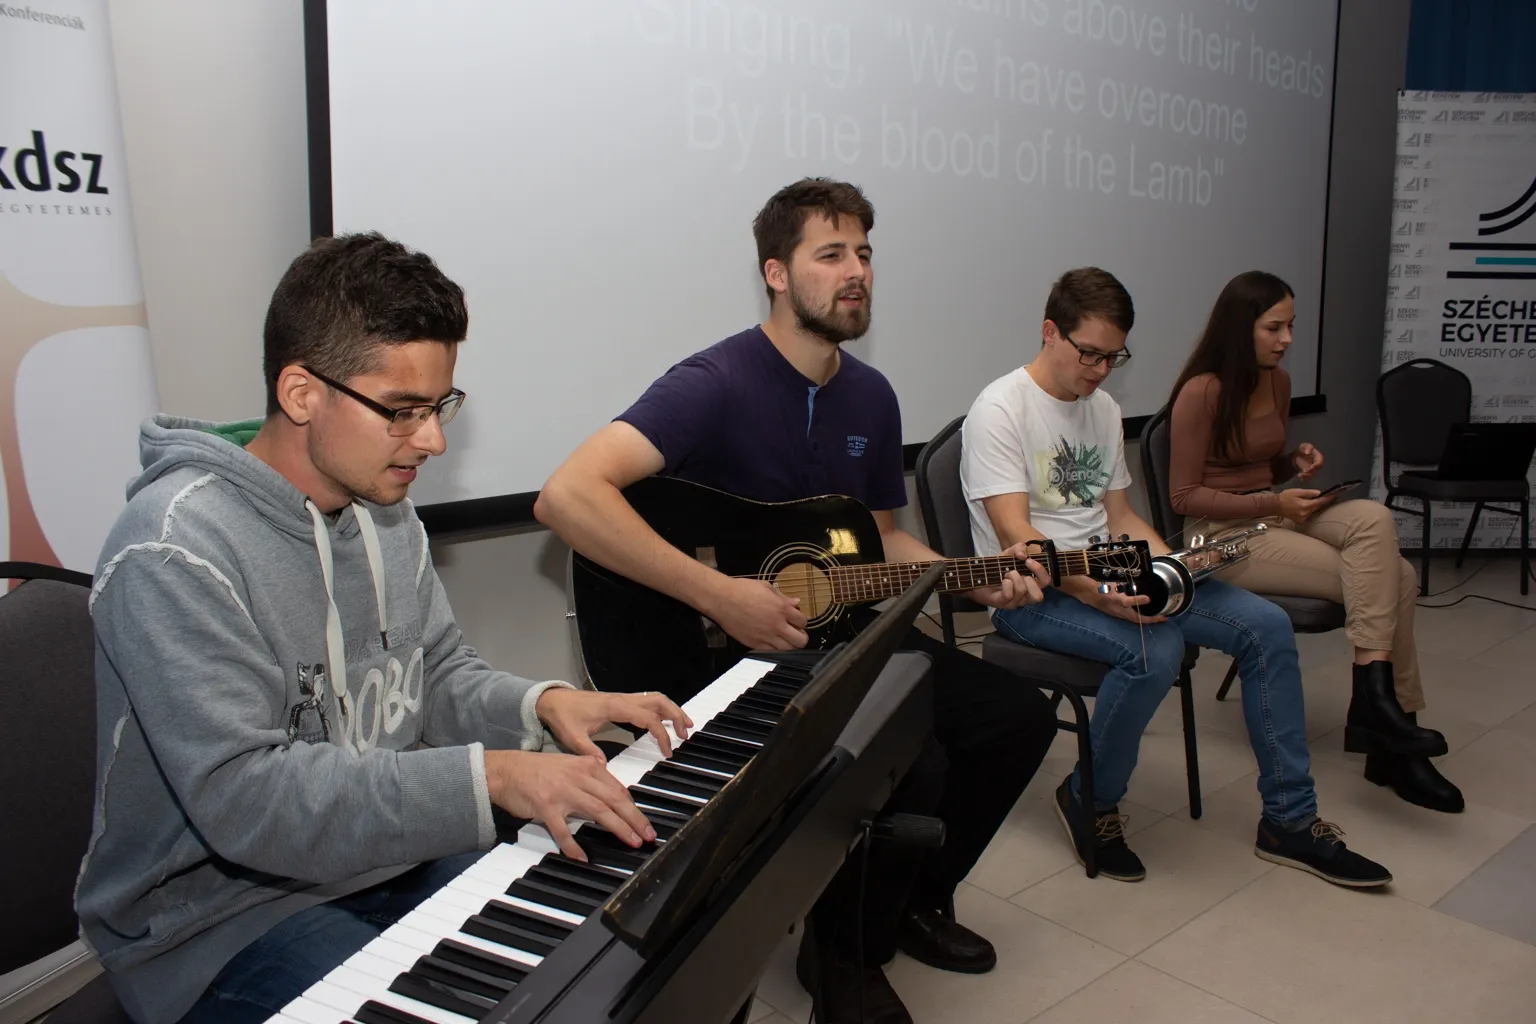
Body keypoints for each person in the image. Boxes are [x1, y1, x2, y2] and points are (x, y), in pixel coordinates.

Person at [76, 233, 693, 1024]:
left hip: (380, 862)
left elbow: (431, 674)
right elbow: (248, 803)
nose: (432, 439)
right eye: (403, 411)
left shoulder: (384, 511)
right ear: (302, 393)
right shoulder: (172, 550)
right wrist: (495, 777)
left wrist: (541, 706)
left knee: (603, 956)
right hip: (215, 921)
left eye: (440, 408)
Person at [534, 178, 1059, 1024]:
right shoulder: (714, 381)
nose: (856, 272)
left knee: (1016, 721)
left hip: (838, 632)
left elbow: (878, 539)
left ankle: (906, 903)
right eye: (831, 254)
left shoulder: (872, 397)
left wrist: (971, 574)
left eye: (864, 254)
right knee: (905, 752)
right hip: (722, 653)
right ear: (776, 273)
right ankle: (841, 959)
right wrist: (720, 595)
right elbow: (566, 497)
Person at [962, 266, 1392, 888]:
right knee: (1152, 646)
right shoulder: (1000, 409)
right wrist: (1100, 592)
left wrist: (1171, 567)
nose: (1102, 371)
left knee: (1266, 625)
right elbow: (1018, 540)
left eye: (1115, 357)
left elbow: (1121, 516)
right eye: (1090, 354)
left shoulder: (1103, 407)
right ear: (1050, 332)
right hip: (1033, 591)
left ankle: (1290, 823)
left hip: (1112, 566)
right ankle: (1090, 799)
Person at [1167, 270, 1462, 813]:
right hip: (1221, 538)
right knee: (1399, 578)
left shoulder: (1276, 382)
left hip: (1273, 513)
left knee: (1372, 516)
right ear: (1241, 328)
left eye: (1291, 326)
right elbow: (1185, 497)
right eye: (1274, 327)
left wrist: (1291, 463)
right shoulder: (1201, 391)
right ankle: (1389, 732)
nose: (1286, 339)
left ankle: (1377, 704)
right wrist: (1272, 503)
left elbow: (1259, 465)